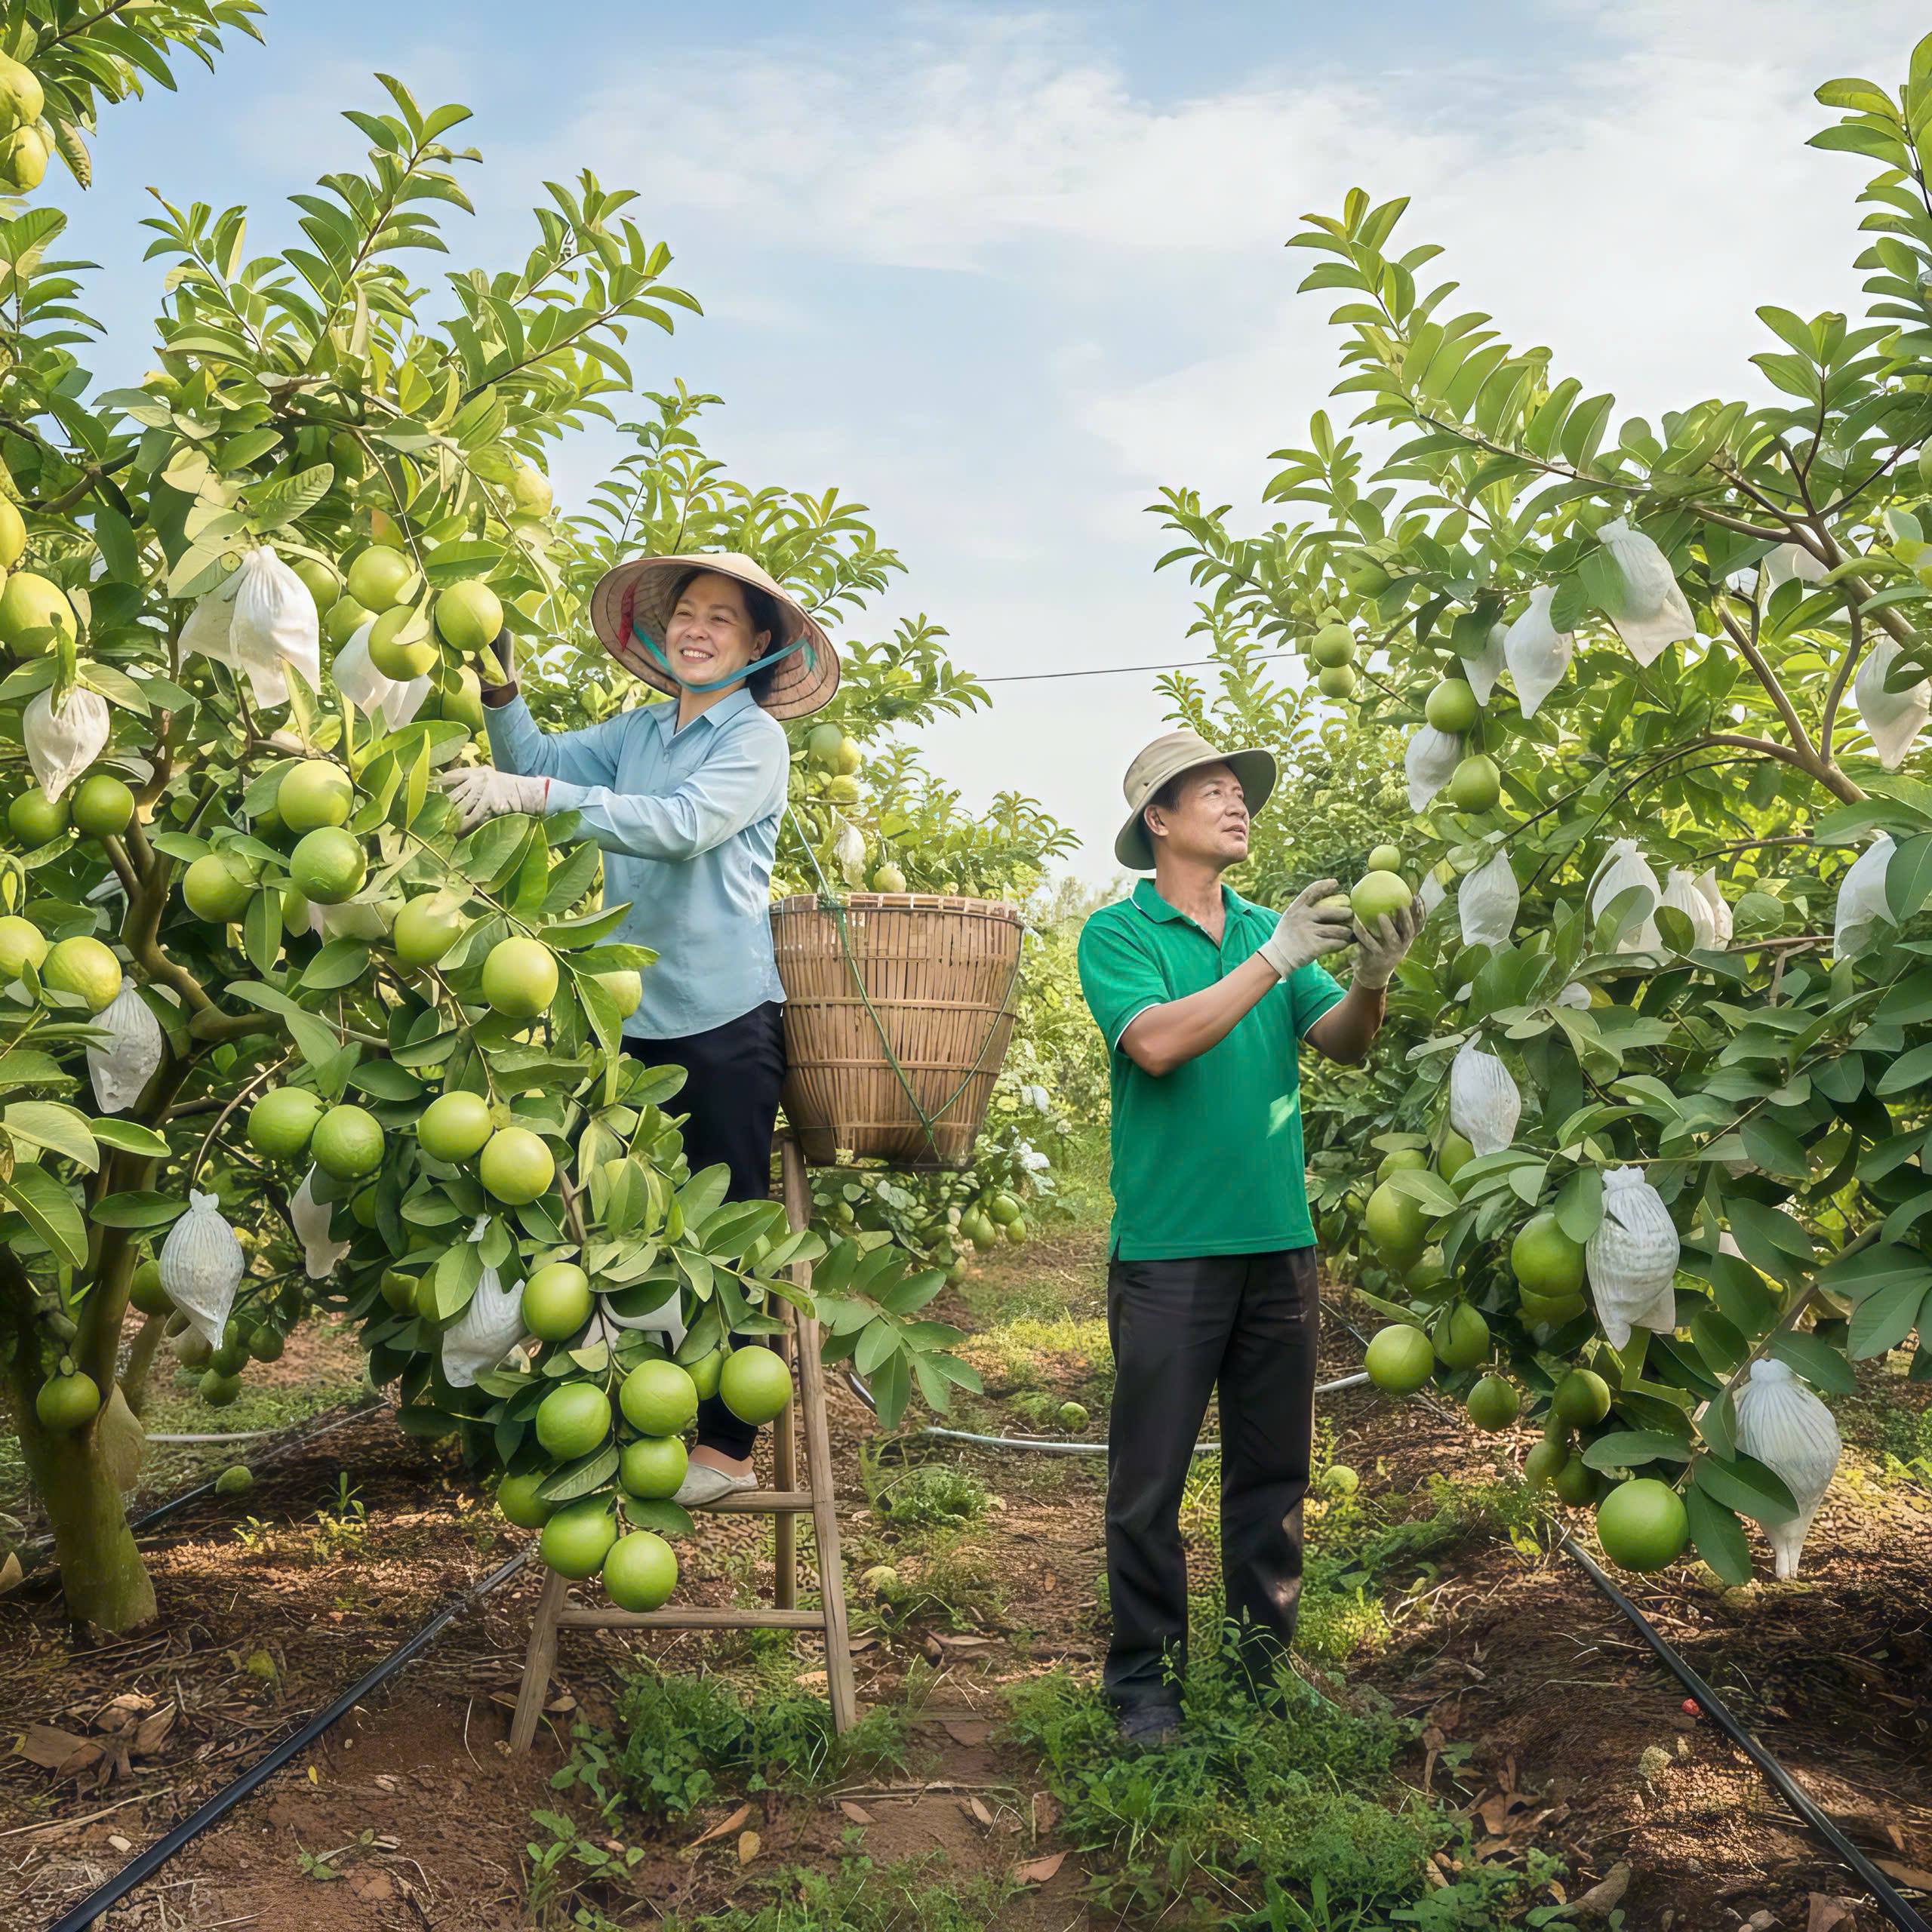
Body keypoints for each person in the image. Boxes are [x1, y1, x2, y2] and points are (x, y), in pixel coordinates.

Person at [435, 552, 838, 1508]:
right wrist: (499, 682)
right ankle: (640, 1399)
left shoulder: (755, 742)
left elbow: (681, 825)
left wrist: (540, 802)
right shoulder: (639, 730)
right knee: (629, 1221)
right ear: (664, 636)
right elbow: (535, 761)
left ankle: (731, 1446)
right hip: (622, 1018)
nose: (698, 630)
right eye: (687, 615)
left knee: (731, 1223)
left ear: (756, 648)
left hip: (724, 1019)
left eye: (722, 621)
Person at [1075, 728, 1421, 1746]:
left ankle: (1264, 1665)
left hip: (1279, 1240)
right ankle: (1143, 1681)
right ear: (1160, 820)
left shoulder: (1280, 930)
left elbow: (1346, 1050)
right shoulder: (1119, 934)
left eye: (1241, 791)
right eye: (1213, 791)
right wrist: (1271, 962)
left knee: (1273, 1475)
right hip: (1170, 1248)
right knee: (1151, 1478)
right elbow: (1158, 1045)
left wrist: (1372, 981)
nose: (1239, 804)